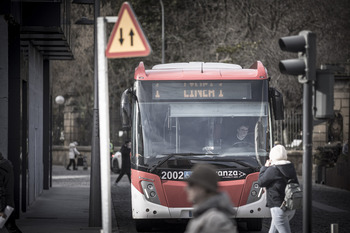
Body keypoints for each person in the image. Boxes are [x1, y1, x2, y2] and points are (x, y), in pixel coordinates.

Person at [184, 164, 238, 233]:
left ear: (203, 188)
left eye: (191, 184)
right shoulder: (202, 216)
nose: (186, 188)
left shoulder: (215, 220)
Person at [258, 145, 298, 233]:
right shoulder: (290, 167)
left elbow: (261, 182)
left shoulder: (273, 169)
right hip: (291, 206)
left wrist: (264, 167)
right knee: (273, 230)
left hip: (278, 207)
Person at [0, 152, 22, 233]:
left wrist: (1, 211)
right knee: (12, 227)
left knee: (11, 228)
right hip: (9, 205)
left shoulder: (1, 169)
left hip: (4, 206)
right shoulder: (6, 165)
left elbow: (1, 191)